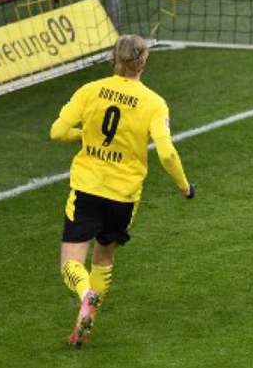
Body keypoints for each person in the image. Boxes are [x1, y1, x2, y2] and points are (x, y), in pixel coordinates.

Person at [50, 34, 195, 346]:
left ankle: (83, 292)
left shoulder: (90, 91)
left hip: (87, 188)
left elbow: (57, 131)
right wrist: (185, 187)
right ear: (143, 62)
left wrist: (81, 136)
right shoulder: (154, 103)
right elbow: (167, 153)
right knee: (103, 258)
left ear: (115, 58)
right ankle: (83, 325)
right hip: (124, 196)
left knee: (70, 266)